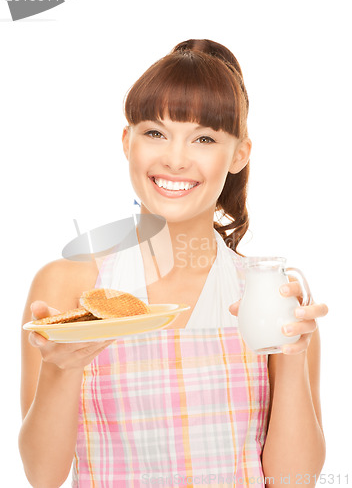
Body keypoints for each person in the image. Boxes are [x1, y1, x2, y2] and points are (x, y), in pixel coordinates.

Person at [19, 39, 328, 487]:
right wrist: (60, 368)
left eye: (204, 138)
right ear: (127, 141)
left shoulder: (271, 294)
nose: (176, 159)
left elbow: (294, 481)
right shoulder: (70, 286)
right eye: (155, 133)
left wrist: (294, 356)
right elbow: (42, 476)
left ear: (239, 154)